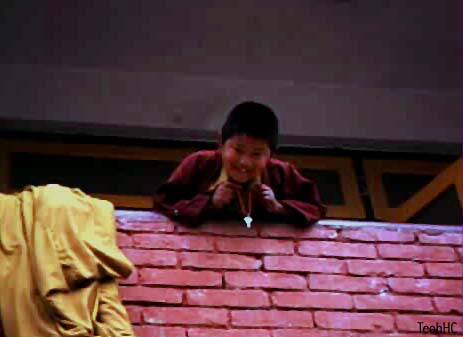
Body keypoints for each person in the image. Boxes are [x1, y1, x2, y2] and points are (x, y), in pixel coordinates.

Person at [153, 101, 326, 226]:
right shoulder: (200, 163)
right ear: (221, 142)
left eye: (257, 154)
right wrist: (209, 203)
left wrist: (280, 208)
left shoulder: (281, 173)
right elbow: (163, 203)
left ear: (271, 154)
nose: (245, 162)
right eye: (238, 150)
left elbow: (315, 209)